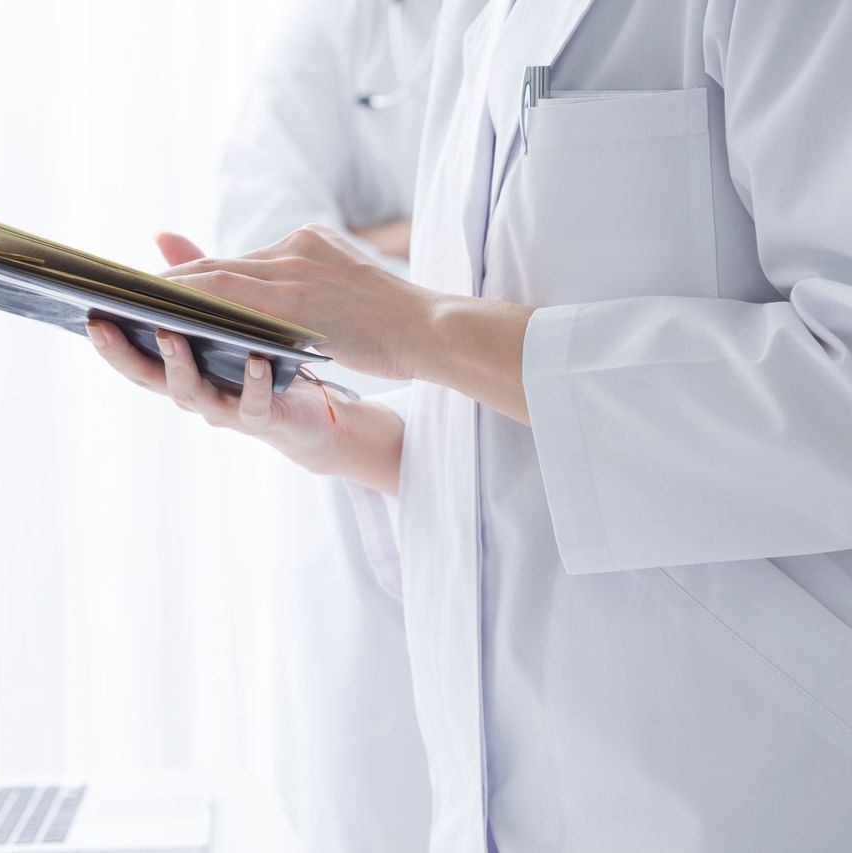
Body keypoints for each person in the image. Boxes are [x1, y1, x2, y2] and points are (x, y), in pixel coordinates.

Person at [86, 0, 852, 850]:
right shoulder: (487, 22)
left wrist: (422, 326)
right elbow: (542, 427)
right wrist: (356, 437)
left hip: (750, 791)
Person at [189, 1, 451, 850]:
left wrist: (387, 260)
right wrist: (452, 295)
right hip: (360, 500)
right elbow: (269, 270)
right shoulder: (334, 35)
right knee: (381, 805)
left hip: (549, 476)